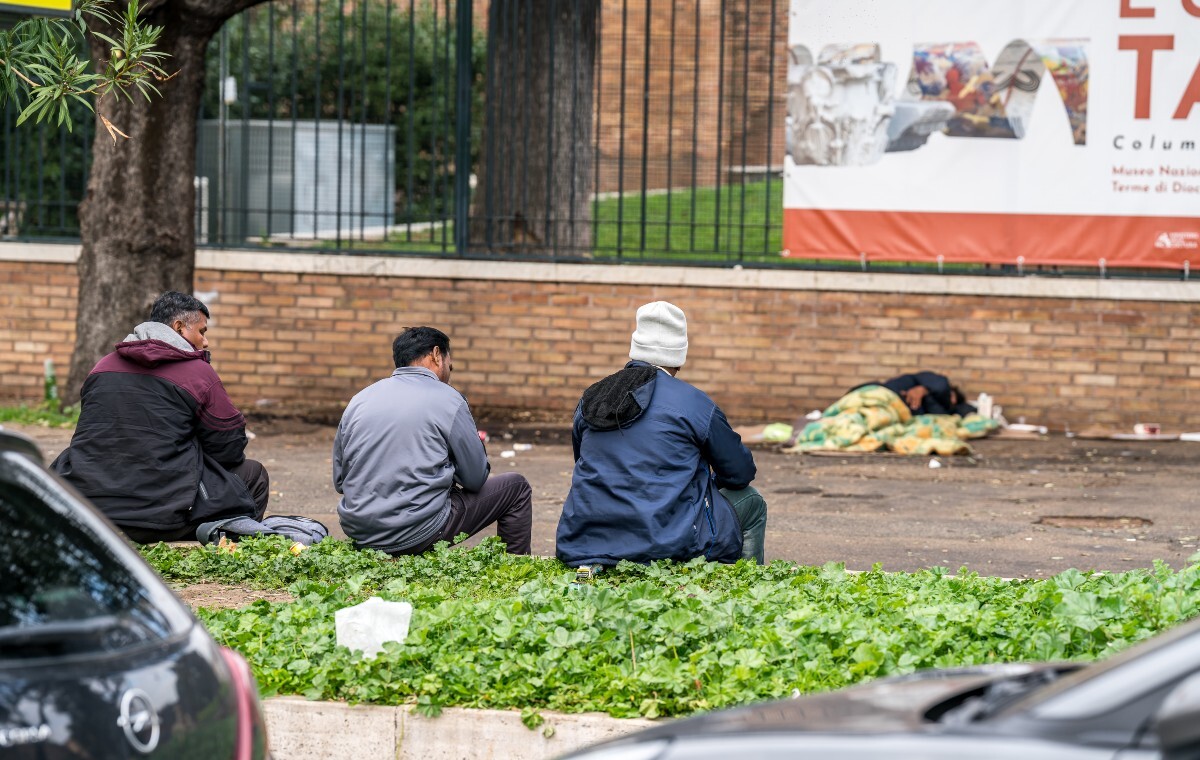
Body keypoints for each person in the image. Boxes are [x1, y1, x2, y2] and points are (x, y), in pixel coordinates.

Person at [556, 301, 767, 568]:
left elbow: (583, 460)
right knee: (751, 500)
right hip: (667, 544)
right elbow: (740, 473)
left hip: (583, 544)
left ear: (635, 346)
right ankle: (748, 587)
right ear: (679, 353)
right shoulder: (694, 403)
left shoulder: (593, 397)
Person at [52, 291, 269, 543]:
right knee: (253, 474)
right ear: (178, 328)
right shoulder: (197, 373)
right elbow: (228, 446)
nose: (205, 342)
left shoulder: (103, 367)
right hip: (164, 519)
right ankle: (229, 548)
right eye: (202, 332)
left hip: (92, 512)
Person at [334, 326, 532, 556]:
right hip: (417, 533)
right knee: (516, 487)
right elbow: (475, 479)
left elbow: (341, 481)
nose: (450, 370)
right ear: (436, 355)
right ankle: (516, 569)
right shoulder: (448, 398)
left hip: (360, 532)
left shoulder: (360, 399)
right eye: (450, 364)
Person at [874, 371, 975, 416]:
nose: (952, 400)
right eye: (951, 396)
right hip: (882, 393)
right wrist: (924, 389)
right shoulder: (937, 382)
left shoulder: (941, 409)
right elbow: (941, 385)